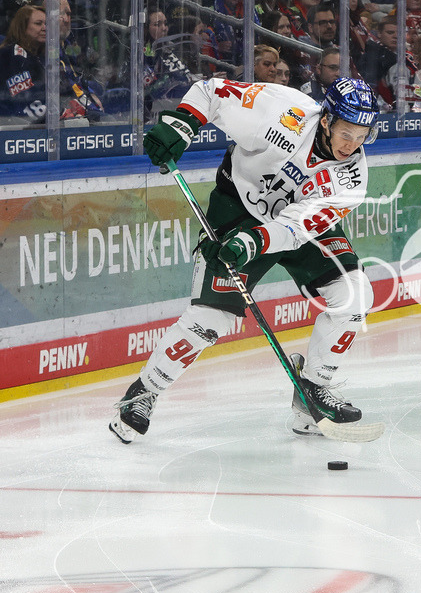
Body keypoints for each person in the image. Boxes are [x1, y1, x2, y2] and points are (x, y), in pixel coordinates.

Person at [109, 76, 382, 444]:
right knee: (210, 318)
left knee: (354, 295)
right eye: (346, 132)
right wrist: (182, 124)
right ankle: (144, 393)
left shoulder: (352, 177)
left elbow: (296, 228)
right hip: (237, 208)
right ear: (326, 120)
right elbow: (212, 93)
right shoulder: (282, 111)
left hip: (296, 227)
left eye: (363, 134)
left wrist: (255, 241)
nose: (353, 145)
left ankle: (313, 390)